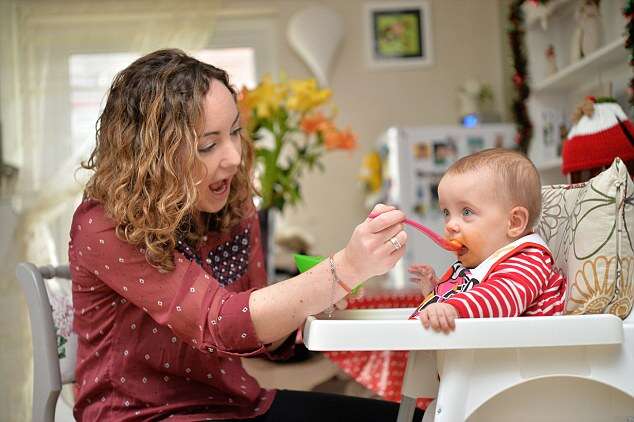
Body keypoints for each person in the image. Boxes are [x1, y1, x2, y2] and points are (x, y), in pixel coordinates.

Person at [69, 49, 423, 421]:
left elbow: (255, 337)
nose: (234, 157)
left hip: (238, 407)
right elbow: (220, 322)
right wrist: (343, 268)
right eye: (208, 144)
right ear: (152, 157)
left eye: (235, 132)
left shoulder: (231, 203)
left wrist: (316, 299)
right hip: (141, 415)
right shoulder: (105, 224)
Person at [408, 148, 567, 333]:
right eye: (446, 213)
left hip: (526, 358)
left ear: (514, 222)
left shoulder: (527, 260)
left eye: (466, 212)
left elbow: (500, 298)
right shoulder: (481, 264)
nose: (450, 225)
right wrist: (435, 291)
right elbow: (474, 293)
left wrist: (454, 309)